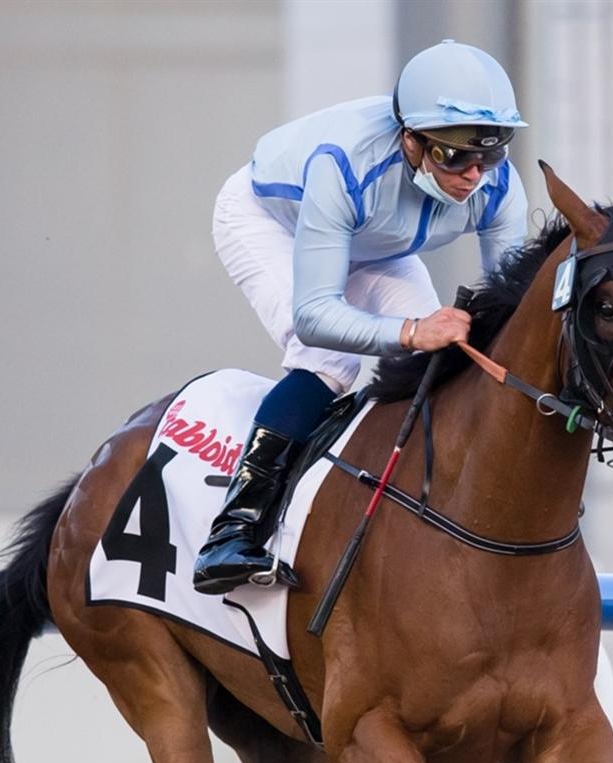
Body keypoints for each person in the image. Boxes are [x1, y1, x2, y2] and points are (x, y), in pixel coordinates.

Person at [192, 39, 528, 595]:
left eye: (489, 153)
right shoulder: (342, 164)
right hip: (269, 221)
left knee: (445, 359)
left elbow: (511, 307)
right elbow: (315, 315)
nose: (474, 175)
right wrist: (411, 332)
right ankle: (234, 530)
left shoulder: (498, 184)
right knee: (329, 356)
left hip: (376, 244)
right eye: (455, 155)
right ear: (411, 140)